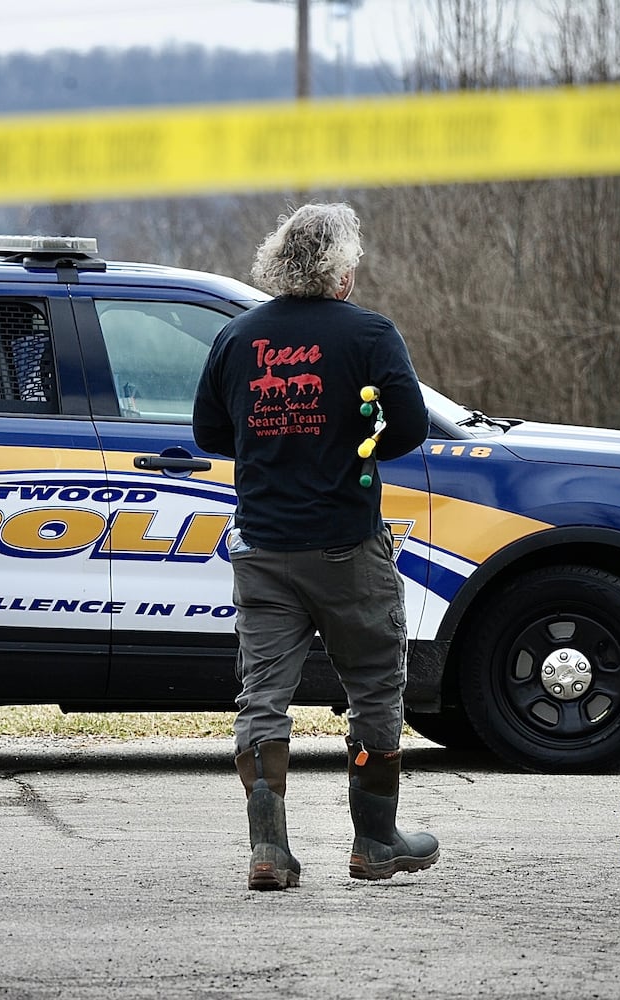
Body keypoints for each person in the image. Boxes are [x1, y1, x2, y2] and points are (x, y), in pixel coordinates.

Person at [192, 202, 437, 891]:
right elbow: (412, 425)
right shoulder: (368, 332)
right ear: (343, 273)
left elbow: (211, 434)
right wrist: (361, 444)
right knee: (375, 685)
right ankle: (376, 843)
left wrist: (272, 439)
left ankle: (268, 851)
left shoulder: (237, 338)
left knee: (263, 695)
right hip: (347, 546)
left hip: (264, 548)